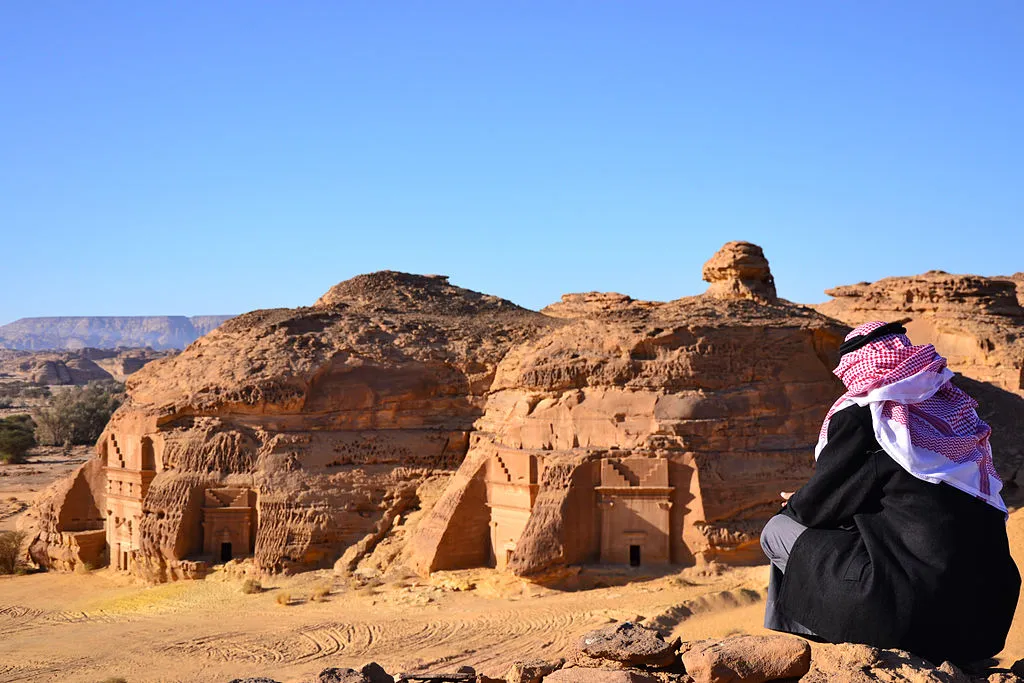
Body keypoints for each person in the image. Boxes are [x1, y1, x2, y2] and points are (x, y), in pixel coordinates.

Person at [761, 321, 1020, 664]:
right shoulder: (953, 413)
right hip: (982, 623)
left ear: (857, 368)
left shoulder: (869, 415)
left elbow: (814, 508)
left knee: (777, 529)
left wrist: (795, 500)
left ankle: (829, 646)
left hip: (911, 614)